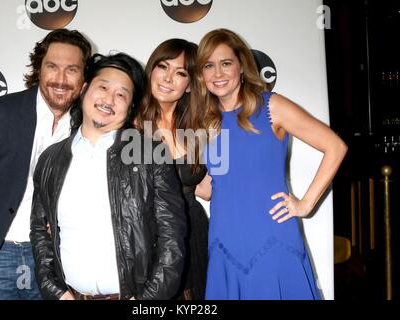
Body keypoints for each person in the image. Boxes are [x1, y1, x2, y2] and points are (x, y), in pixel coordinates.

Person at [195, 28, 348, 300]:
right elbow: (208, 188)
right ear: (201, 73)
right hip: (224, 242)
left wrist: (306, 203)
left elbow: (335, 146)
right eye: (209, 65)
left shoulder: (270, 106)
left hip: (272, 239)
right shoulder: (206, 121)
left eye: (226, 63)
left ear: (241, 66)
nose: (218, 73)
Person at [30, 52, 187, 300]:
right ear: (83, 90)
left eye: (121, 94)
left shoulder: (151, 154)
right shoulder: (51, 159)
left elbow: (172, 238)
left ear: (130, 107)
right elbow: (40, 232)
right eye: (103, 87)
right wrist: (55, 292)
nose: (109, 99)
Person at [0, 28, 92, 299]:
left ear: (84, 78)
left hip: (52, 260)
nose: (60, 79)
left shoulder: (86, 128)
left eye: (72, 69)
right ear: (39, 70)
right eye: (52, 67)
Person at [135, 38, 209, 300]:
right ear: (151, 70)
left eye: (180, 73)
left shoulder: (195, 127)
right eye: (163, 67)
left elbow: (208, 189)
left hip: (194, 230)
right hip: (150, 234)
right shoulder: (129, 123)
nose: (168, 78)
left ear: (190, 85)